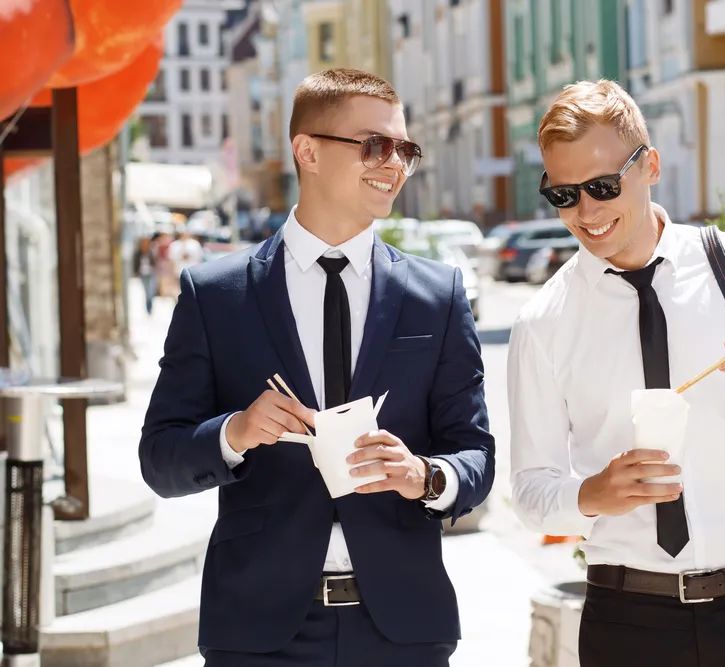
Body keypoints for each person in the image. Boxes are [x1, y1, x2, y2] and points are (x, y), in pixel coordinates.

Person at [139, 68, 495, 666]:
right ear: (307, 151)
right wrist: (235, 433)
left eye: (405, 150)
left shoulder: (438, 294)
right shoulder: (216, 294)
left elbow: (476, 453)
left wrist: (426, 477)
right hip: (257, 631)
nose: (395, 165)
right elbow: (160, 460)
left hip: (404, 630)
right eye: (376, 146)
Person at [507, 79, 725, 667]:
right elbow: (531, 492)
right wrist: (591, 494)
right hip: (627, 622)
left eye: (603, 186)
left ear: (651, 166)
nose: (586, 212)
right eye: (563, 195)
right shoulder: (542, 321)